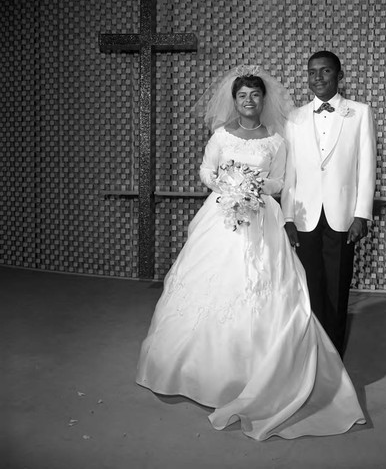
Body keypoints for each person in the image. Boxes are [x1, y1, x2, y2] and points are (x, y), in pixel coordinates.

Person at [136, 65, 365, 441]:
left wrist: (254, 187)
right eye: (242, 95)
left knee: (265, 286)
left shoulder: (276, 140)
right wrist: (227, 184)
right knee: (211, 285)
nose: (248, 101)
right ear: (234, 100)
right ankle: (199, 369)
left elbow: (279, 179)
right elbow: (206, 171)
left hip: (261, 217)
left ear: (263, 99)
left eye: (254, 95)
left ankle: (260, 370)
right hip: (221, 216)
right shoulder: (219, 136)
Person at [281, 51, 377, 357]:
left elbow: (367, 167)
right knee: (310, 286)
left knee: (337, 286)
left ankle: (333, 354)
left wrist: (361, 214)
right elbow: (289, 171)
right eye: (312, 72)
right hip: (304, 215)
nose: (318, 78)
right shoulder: (294, 117)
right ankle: (313, 350)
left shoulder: (360, 113)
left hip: (343, 215)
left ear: (339, 75)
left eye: (325, 71)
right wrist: (287, 217)